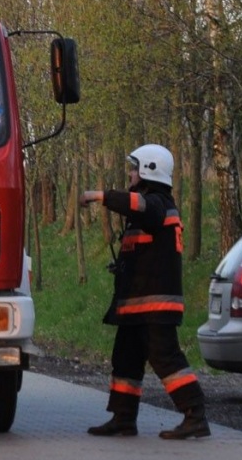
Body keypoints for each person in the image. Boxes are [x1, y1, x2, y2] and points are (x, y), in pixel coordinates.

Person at [78, 143, 210, 440]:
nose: (130, 172)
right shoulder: (152, 204)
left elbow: (140, 205)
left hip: (155, 305)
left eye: (134, 168)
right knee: (125, 359)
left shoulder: (158, 203)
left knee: (166, 359)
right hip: (138, 306)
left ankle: (195, 414)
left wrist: (101, 196)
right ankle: (123, 418)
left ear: (150, 170)